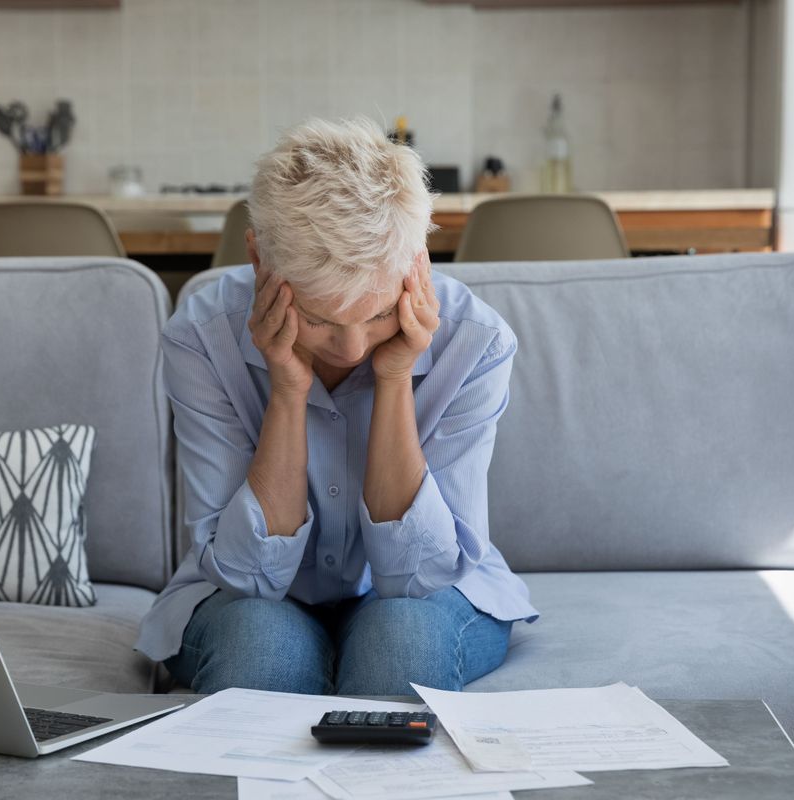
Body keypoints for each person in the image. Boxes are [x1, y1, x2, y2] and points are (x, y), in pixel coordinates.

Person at [135, 118, 538, 696]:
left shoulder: (475, 342)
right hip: (251, 598)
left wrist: (396, 375)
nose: (350, 348)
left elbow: (415, 576)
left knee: (399, 644)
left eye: (377, 315)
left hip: (428, 595)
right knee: (260, 649)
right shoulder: (202, 339)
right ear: (257, 261)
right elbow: (250, 579)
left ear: (415, 261)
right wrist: (287, 388)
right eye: (320, 320)